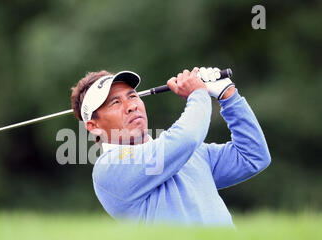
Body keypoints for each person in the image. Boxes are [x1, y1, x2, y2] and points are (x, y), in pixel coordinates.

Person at [70, 67, 271, 225]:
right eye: (115, 102)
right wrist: (198, 94)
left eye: (132, 96)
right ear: (93, 126)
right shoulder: (109, 168)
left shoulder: (187, 152)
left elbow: (253, 156)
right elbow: (187, 137)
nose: (131, 105)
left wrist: (229, 96)